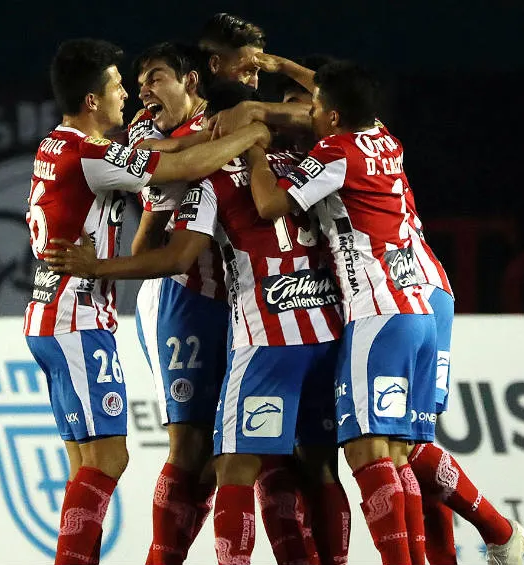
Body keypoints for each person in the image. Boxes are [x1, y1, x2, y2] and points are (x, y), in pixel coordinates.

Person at [44, 81, 350, 565]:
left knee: (235, 462)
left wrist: (99, 266)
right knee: (305, 462)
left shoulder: (211, 178)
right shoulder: (309, 162)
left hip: (263, 330)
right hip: (317, 325)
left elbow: (174, 253)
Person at [245, 61, 524, 565]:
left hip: (386, 303)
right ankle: (489, 536)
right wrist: (280, 65)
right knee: (408, 445)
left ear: (331, 113)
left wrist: (251, 131)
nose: (299, 115)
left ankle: (487, 534)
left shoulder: (334, 152)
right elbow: (344, 94)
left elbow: (270, 205)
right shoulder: (381, 135)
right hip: (426, 292)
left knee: (381, 447)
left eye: (307, 107)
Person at [25, 38, 270, 565]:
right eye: (118, 86)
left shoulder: (59, 145)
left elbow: (172, 153)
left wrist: (217, 128)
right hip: (78, 315)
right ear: (92, 99)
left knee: (86, 463)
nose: (127, 96)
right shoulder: (91, 155)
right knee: (108, 460)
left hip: (50, 315)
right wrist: (251, 133)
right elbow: (182, 167)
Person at [125, 42, 228, 565]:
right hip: (180, 294)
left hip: (241, 303)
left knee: (232, 452)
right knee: (188, 445)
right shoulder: (144, 134)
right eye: (139, 82)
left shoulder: (224, 119)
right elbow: (180, 165)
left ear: (190, 81)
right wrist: (230, 138)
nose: (144, 91)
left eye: (156, 77)